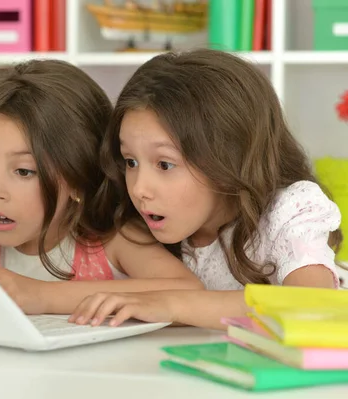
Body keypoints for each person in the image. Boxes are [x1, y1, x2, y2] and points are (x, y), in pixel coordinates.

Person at [68, 49, 343, 330]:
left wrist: (171, 304)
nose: (139, 189)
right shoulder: (148, 228)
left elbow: (311, 305)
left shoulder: (290, 210)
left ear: (230, 157)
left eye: (164, 164)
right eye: (131, 161)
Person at [0, 59, 203, 316]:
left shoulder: (111, 239)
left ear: (77, 176)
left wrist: (40, 295)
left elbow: (186, 289)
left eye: (24, 171)